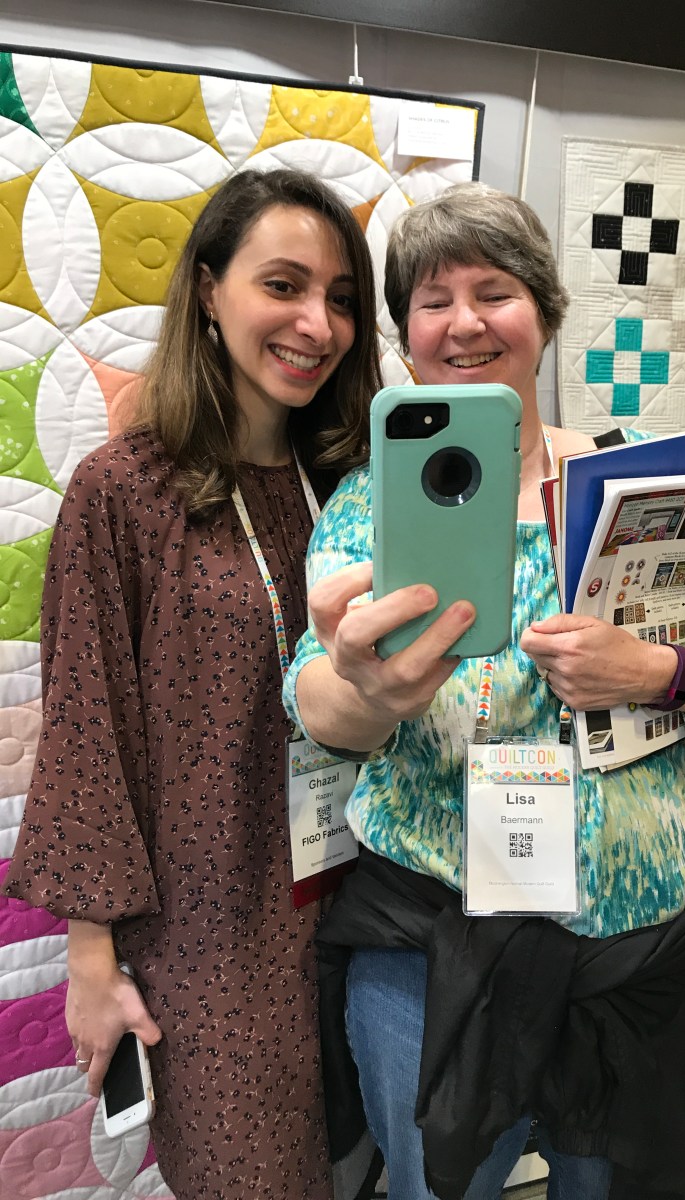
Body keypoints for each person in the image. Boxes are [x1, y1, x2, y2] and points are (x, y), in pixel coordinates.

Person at [284, 182, 685, 1200]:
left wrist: (655, 671)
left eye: (496, 292)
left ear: (545, 314)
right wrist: (369, 691)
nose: (465, 322)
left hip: (645, 952)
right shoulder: (370, 506)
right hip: (437, 950)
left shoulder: (640, 485)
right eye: (433, 300)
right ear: (404, 336)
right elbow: (313, 701)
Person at [3, 167, 382, 1200]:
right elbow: (88, 732)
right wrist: (91, 961)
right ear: (209, 291)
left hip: (375, 912)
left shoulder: (358, 489)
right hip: (213, 946)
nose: (317, 324)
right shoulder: (126, 493)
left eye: (342, 298)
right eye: (284, 285)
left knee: (369, 1170)